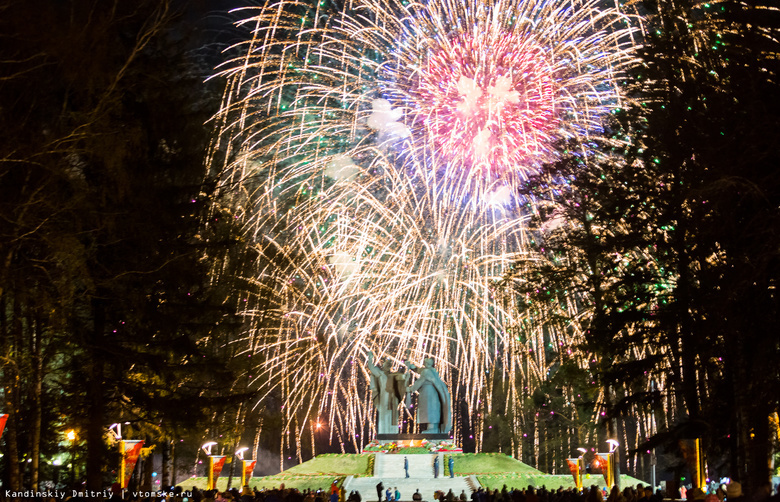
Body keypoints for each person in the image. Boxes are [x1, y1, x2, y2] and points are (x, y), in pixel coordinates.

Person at [405, 354, 452, 434]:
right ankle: (433, 428)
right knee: (432, 410)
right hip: (432, 393)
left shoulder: (426, 372)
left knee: (430, 410)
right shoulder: (432, 371)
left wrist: (410, 389)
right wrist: (413, 367)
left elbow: (420, 381)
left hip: (428, 394)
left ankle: (432, 429)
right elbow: (421, 370)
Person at [368, 352, 407, 434]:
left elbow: (403, 380)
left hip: (392, 397)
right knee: (384, 414)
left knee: (392, 414)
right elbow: (371, 368)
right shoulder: (380, 374)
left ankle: (392, 433)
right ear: (383, 366)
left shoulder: (393, 375)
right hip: (383, 396)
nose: (387, 366)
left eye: (389, 365)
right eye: (386, 365)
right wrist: (370, 358)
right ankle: (383, 433)